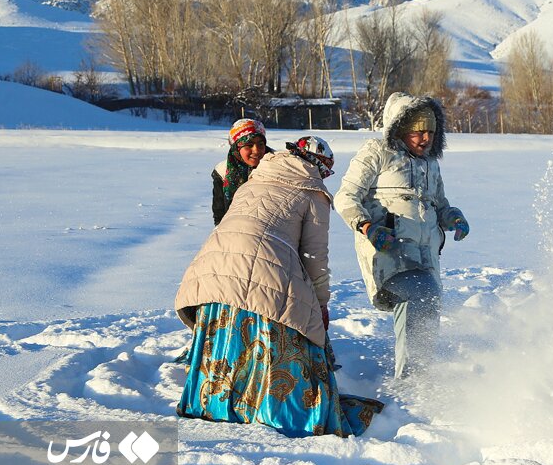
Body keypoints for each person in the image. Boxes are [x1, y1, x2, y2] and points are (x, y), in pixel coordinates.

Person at [176, 135, 383, 437]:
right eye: (326, 171)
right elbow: (314, 256)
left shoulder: (255, 178)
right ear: (319, 167)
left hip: (212, 265)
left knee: (230, 331)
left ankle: (217, 399)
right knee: (286, 326)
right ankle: (271, 406)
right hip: (262, 267)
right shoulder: (313, 193)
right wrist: (320, 303)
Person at [335, 92, 469, 379]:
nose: (425, 139)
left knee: (427, 309)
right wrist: (367, 227)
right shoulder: (377, 153)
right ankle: (408, 385)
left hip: (425, 257)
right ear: (401, 129)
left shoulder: (430, 163)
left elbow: (440, 204)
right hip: (388, 253)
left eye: (431, 132)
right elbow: (345, 197)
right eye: (418, 131)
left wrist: (453, 217)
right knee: (419, 297)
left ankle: (419, 377)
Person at [212, 118, 271, 226]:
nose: (256, 150)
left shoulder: (277, 167)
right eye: (249, 145)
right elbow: (219, 214)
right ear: (236, 147)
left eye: (261, 144)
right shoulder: (222, 172)